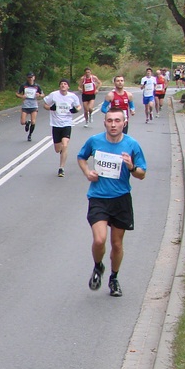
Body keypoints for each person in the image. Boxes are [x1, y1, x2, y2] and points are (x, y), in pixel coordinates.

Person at [76, 107, 147, 298]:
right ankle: (98, 266)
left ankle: (114, 278)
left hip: (121, 199)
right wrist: (87, 172)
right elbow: (81, 157)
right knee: (99, 239)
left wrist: (131, 167)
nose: (113, 124)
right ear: (104, 122)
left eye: (117, 121)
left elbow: (142, 174)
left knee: (116, 244)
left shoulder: (132, 145)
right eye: (110, 120)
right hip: (98, 197)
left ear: (124, 123)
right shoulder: (95, 141)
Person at [43, 80, 82, 177]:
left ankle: (61, 168)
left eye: (65, 84)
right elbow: (45, 105)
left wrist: (76, 110)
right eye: (61, 84)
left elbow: (79, 106)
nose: (63, 85)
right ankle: (62, 151)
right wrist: (51, 108)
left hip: (67, 124)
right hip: (56, 124)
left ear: (68, 87)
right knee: (57, 149)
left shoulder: (72, 96)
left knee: (65, 145)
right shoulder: (54, 95)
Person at [16, 73, 43, 141]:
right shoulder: (24, 85)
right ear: (27, 78)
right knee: (22, 122)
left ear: (34, 77)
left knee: (33, 122)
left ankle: (30, 135)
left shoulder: (37, 86)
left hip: (34, 105)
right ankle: (27, 123)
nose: (30, 79)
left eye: (31, 77)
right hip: (26, 105)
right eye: (29, 77)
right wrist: (22, 96)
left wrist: (39, 95)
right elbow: (17, 93)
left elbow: (43, 94)